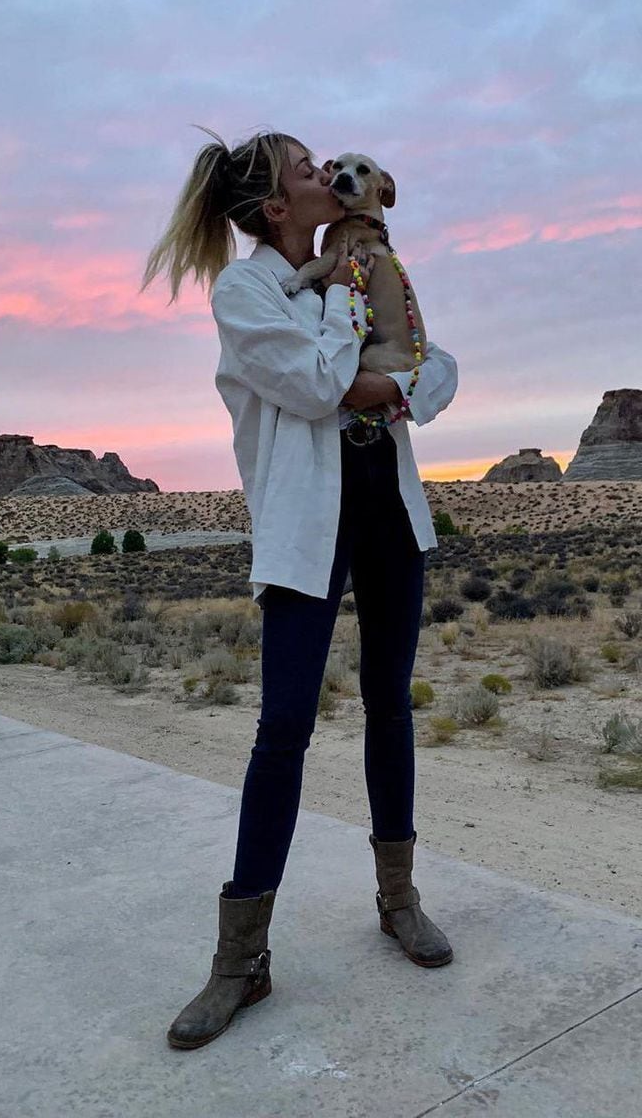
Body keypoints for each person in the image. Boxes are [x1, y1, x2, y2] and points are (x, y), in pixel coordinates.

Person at [140, 127, 458, 1052]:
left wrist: (393, 388)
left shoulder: (361, 263)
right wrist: (350, 326)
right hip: (305, 523)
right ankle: (241, 961)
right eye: (310, 170)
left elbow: (436, 364)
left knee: (389, 704)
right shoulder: (244, 294)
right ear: (277, 206)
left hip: (388, 511)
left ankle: (397, 901)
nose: (330, 175)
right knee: (282, 730)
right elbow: (322, 384)